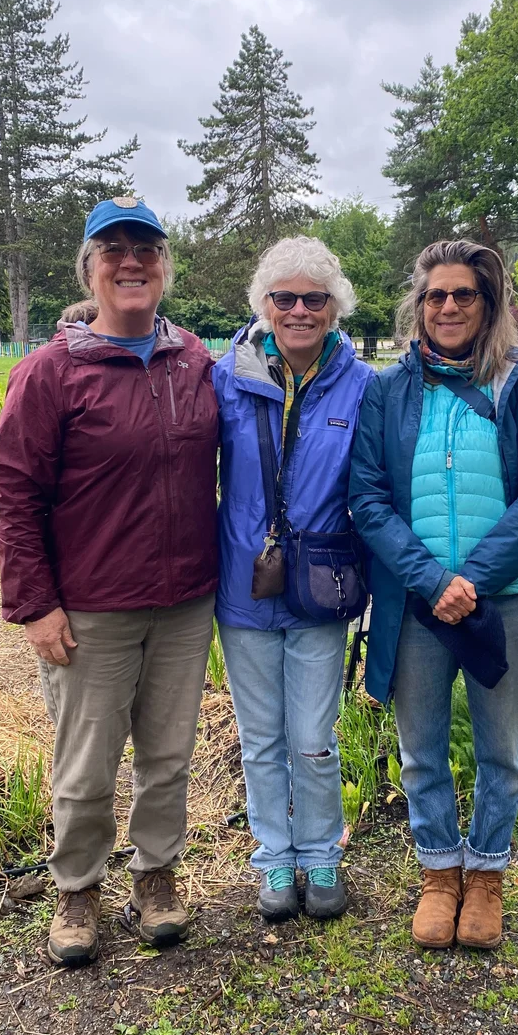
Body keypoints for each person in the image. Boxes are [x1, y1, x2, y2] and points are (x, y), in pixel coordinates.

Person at [0, 196, 219, 966]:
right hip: (90, 608)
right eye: (114, 248)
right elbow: (16, 493)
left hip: (186, 599)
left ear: (164, 268)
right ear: (88, 269)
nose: (132, 262)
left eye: (146, 249)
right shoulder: (51, 375)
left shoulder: (195, 363)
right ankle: (78, 888)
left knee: (168, 755)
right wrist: (36, 604)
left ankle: (156, 878)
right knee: (86, 764)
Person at [349, 239, 518, 951]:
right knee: (420, 750)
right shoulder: (388, 390)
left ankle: (486, 873)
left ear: (488, 305)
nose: (448, 306)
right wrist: (432, 580)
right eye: (435, 295)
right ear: (419, 307)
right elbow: (367, 497)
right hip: (418, 603)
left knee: (502, 750)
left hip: (504, 599)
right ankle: (438, 872)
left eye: (463, 294)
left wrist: (474, 580)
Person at [212, 236, 374, 922]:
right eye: (286, 297)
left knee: (313, 735)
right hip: (243, 586)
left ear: (334, 306)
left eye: (315, 297)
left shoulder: (362, 384)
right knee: (261, 738)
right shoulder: (227, 377)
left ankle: (320, 851)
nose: (300, 309)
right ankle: (273, 857)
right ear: (264, 305)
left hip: (320, 587)